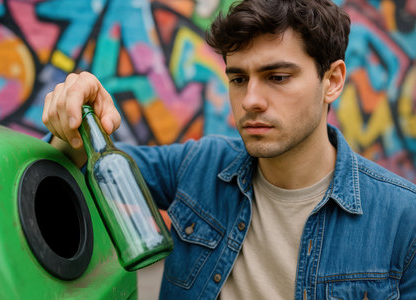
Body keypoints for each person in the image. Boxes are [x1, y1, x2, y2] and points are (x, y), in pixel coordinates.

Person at [42, 0, 416, 299]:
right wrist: (72, 117)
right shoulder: (199, 165)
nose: (251, 100)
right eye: (238, 78)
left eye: (278, 77)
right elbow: (82, 165)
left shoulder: (403, 217)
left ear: (331, 81)